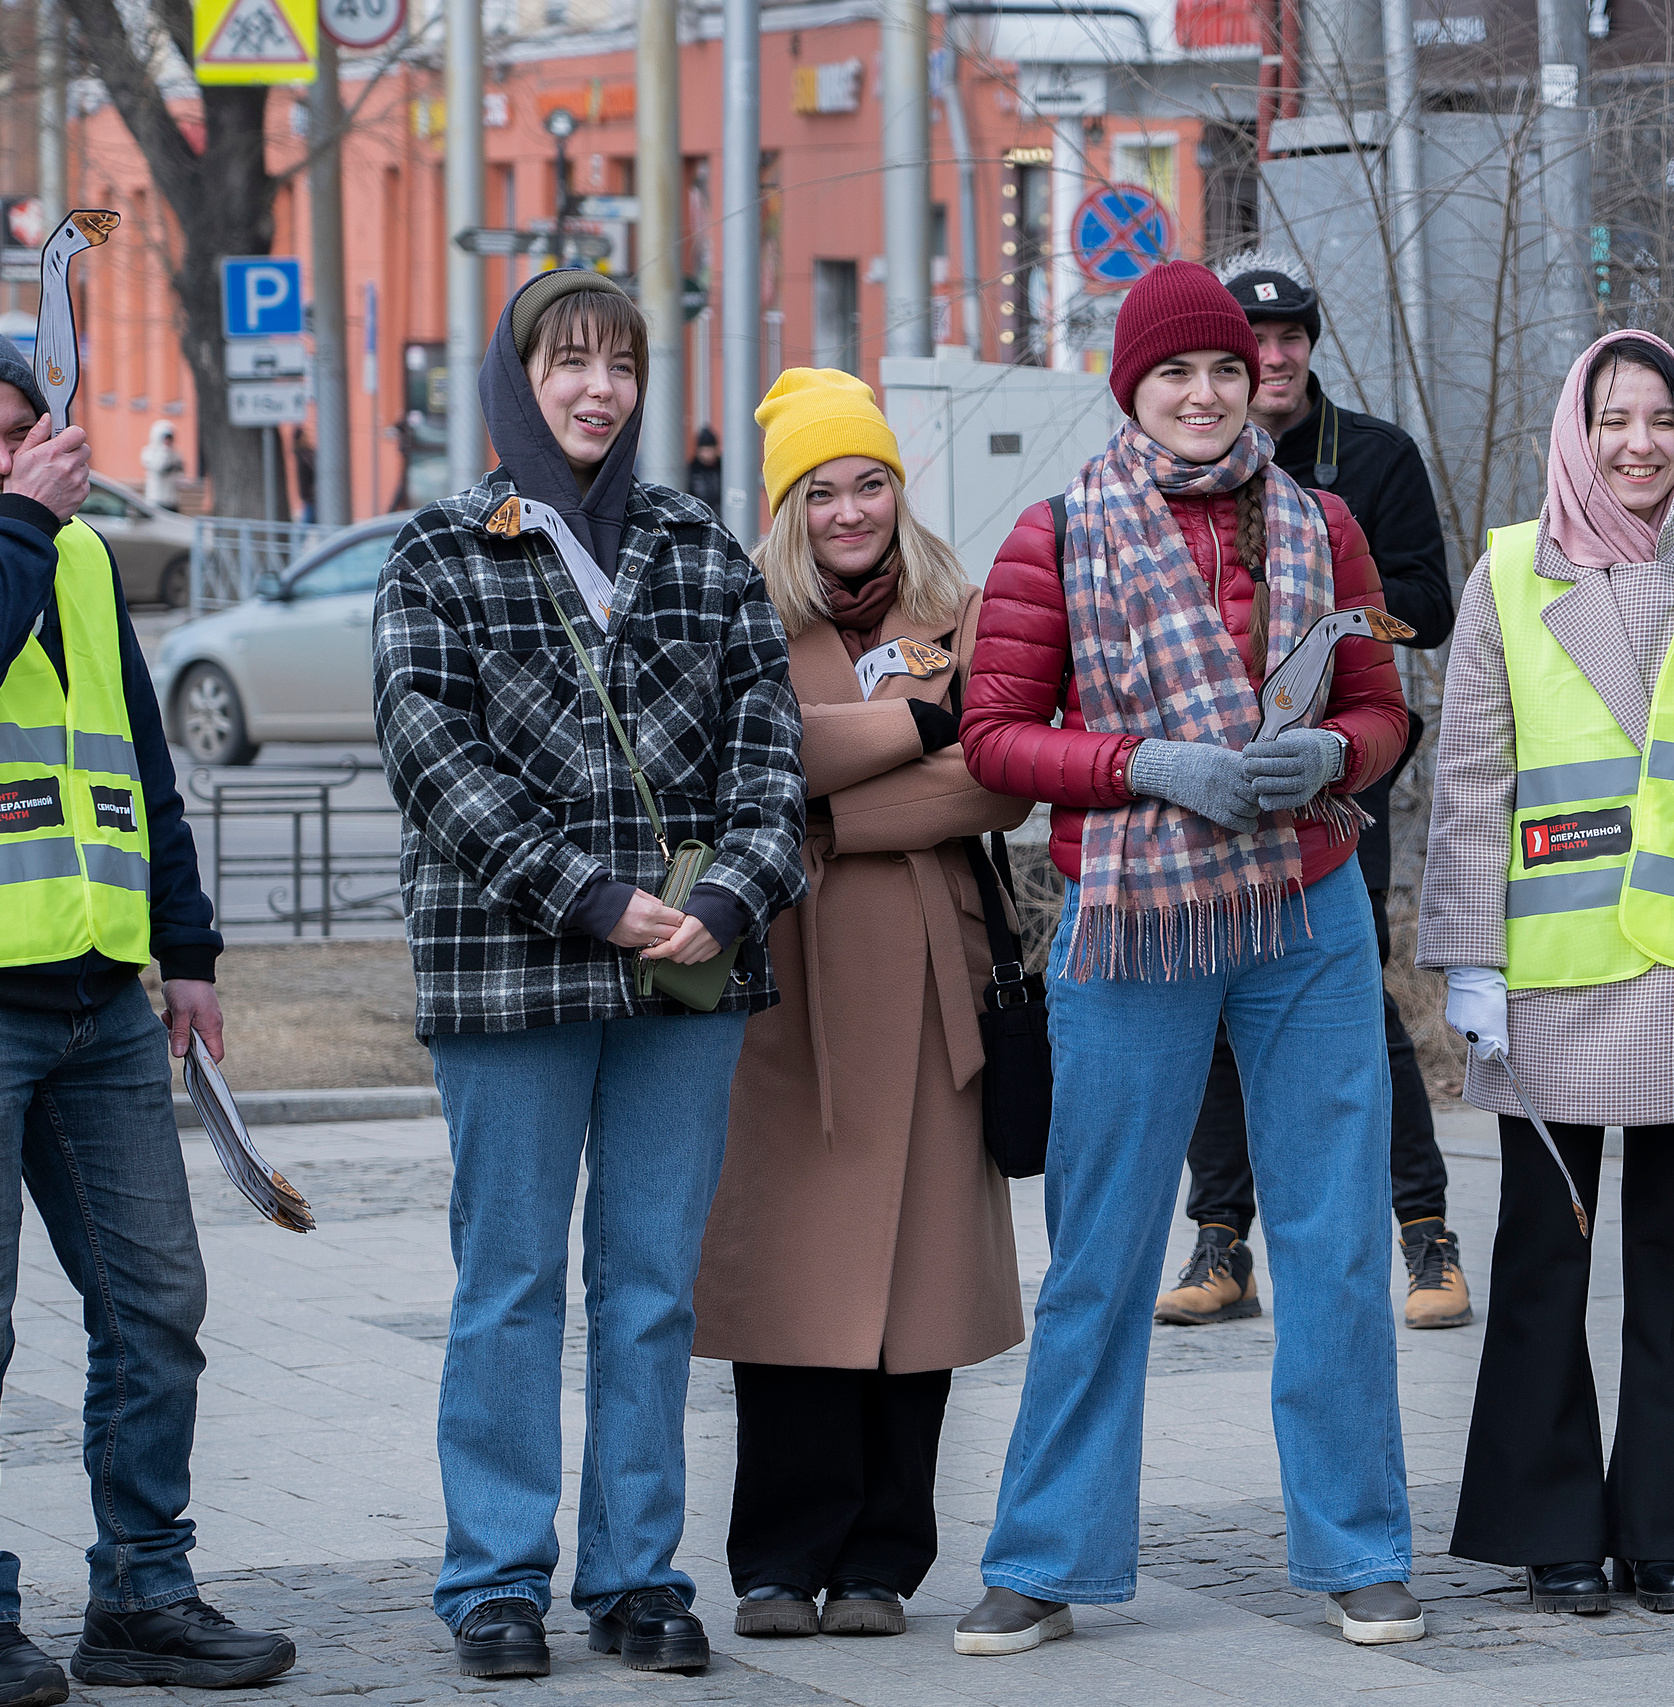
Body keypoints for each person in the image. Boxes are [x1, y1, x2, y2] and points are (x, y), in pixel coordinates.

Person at [957, 262, 1420, 1653]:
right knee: (1101, 1250)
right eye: (1176, 373)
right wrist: (1143, 763)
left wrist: (1332, 753)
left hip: (1307, 908)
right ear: (1131, 388)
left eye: (1225, 367)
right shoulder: (1055, 533)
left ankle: (1358, 1550)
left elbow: (1384, 708)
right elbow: (994, 736)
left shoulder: (1324, 524)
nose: (1208, 392)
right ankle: (1046, 1556)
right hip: (1131, 922)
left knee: (1336, 1242)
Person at [373, 269, 807, 1678]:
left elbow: (770, 748)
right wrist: (595, 899)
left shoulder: (699, 544)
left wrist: (731, 895)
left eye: (619, 364)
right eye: (568, 361)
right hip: (509, 972)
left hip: (686, 975)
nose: (598, 389)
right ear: (519, 379)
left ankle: (638, 1576)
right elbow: (434, 761)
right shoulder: (441, 550)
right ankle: (495, 1578)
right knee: (509, 1280)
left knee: (652, 1286)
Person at [0, 316, 296, 1706]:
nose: (0, 460)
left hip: (100, 997)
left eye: (18, 431)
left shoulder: (84, 558)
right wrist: (25, 530)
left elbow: (140, 767)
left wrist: (189, 950)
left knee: (157, 1302)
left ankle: (143, 1594)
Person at [1418, 329, 1674, 1618]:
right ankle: (1546, 1525)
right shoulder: (1508, 571)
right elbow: (1470, 780)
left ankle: (1666, 1524)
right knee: (1543, 1253)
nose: (1639, 445)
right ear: (1575, 433)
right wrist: (1467, 958)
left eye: (1661, 419)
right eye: (1612, 420)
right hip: (1548, 974)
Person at [695, 367, 1032, 1640]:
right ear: (788, 508)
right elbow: (744, 762)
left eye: (869, 483)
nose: (849, 511)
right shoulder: (738, 610)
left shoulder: (962, 606)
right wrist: (921, 724)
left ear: (899, 488)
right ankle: (778, 1562)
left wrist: (835, 805)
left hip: (937, 984)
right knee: (791, 1277)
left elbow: (999, 781)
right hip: (786, 983)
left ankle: (883, 1562)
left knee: (918, 1284)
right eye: (822, 490)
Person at [1149, 251, 1464, 1334]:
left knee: (1359, 1007)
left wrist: (1328, 584)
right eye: (1254, 341)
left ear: (1309, 349)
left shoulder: (1371, 459)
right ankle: (1221, 1239)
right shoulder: (1166, 463)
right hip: (1204, 787)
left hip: (1335, 783)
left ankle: (1426, 1232)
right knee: (1208, 1004)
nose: (1273, 356)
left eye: (1290, 338)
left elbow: (1429, 608)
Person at [141, 417, 183, 508]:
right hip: (156, 498)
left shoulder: (175, 453)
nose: (167, 441)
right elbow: (160, 467)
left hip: (172, 499)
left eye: (169, 438)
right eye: (165, 438)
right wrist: (164, 451)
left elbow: (180, 470)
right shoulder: (149, 453)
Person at [687, 423, 727, 513]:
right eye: (705, 450)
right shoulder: (692, 470)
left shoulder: (722, 468)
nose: (708, 454)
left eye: (711, 449)